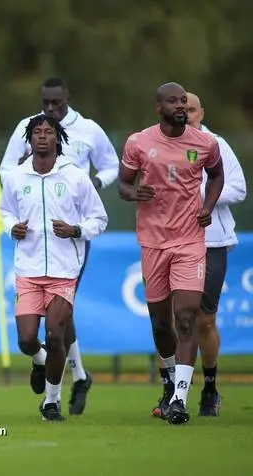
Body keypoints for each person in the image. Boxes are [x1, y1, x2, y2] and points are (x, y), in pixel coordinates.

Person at [0, 76, 119, 414]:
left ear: (67, 97)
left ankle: (53, 397)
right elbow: (7, 172)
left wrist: (94, 185)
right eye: (45, 103)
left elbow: (112, 167)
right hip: (30, 258)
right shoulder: (27, 130)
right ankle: (77, 375)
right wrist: (13, 225)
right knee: (33, 337)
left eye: (56, 104)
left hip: (69, 247)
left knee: (57, 327)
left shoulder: (88, 133)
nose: (49, 110)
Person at [118, 82, 224, 425]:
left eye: (184, 101)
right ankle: (168, 380)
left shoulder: (205, 143)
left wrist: (207, 205)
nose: (180, 105)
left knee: (187, 317)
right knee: (161, 324)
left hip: (190, 241)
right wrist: (135, 194)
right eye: (173, 101)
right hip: (152, 242)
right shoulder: (139, 142)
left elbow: (217, 175)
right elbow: (122, 184)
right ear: (158, 107)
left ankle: (180, 397)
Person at [150, 92, 247, 418]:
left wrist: (199, 196)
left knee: (204, 320)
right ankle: (175, 393)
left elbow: (238, 188)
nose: (185, 113)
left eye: (191, 109)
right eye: (180, 108)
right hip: (171, 241)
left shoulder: (214, 143)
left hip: (211, 241)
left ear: (200, 112)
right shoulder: (158, 143)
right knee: (176, 320)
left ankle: (210, 386)